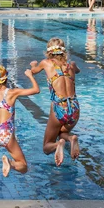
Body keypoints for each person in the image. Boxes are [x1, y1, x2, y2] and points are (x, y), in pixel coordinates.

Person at [29, 38, 82, 166]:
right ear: (64, 51)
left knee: (47, 147)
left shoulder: (46, 63)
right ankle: (70, 138)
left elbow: (33, 71)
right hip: (74, 108)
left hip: (59, 107)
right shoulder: (72, 64)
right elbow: (78, 71)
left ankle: (59, 144)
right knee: (62, 132)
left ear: (48, 51)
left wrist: (32, 66)